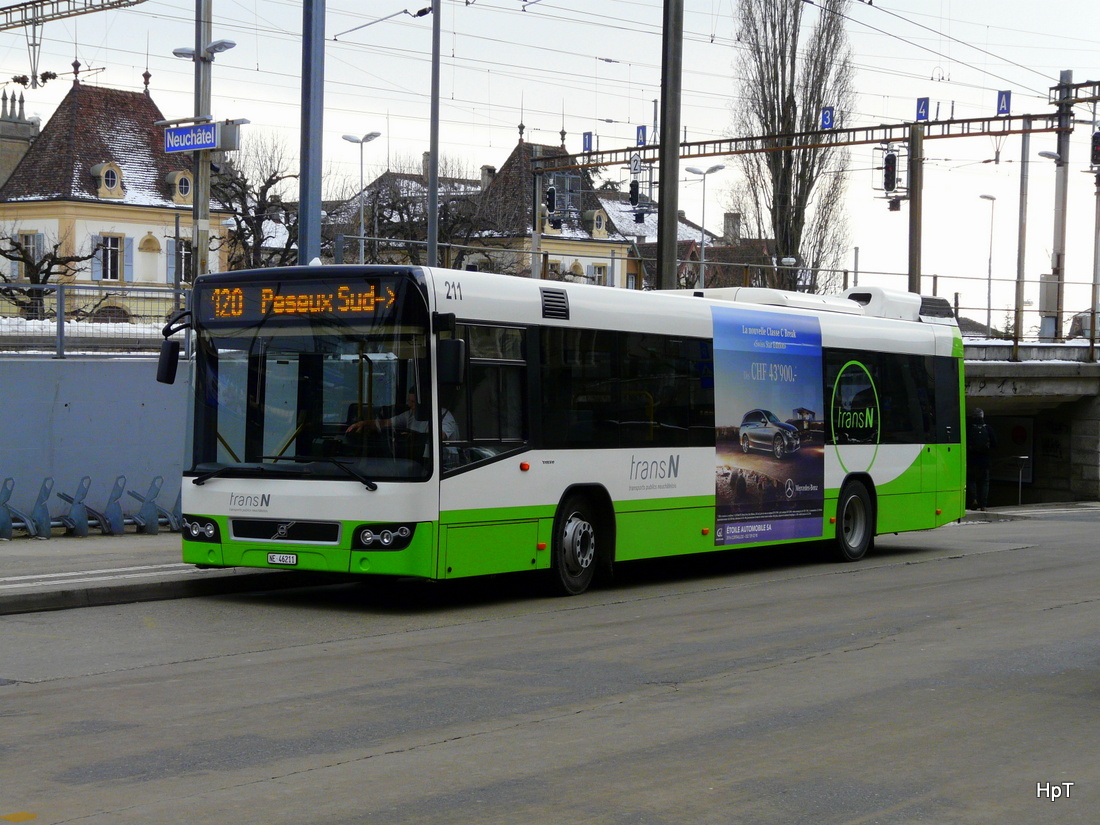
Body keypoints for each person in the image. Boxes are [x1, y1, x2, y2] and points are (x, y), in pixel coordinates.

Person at [347, 390, 458, 440]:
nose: (409, 405)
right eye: (409, 401)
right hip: (417, 458)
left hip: (443, 463)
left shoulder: (444, 415)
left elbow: (440, 436)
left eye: (413, 402)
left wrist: (413, 436)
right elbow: (385, 423)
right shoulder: (410, 414)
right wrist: (364, 423)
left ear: (426, 402)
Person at [966, 408, 997, 510]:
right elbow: (995, 444)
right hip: (985, 460)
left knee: (971, 480)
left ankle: (973, 500)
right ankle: (983, 504)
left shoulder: (969, 428)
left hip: (972, 460)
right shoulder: (988, 428)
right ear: (983, 416)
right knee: (985, 482)